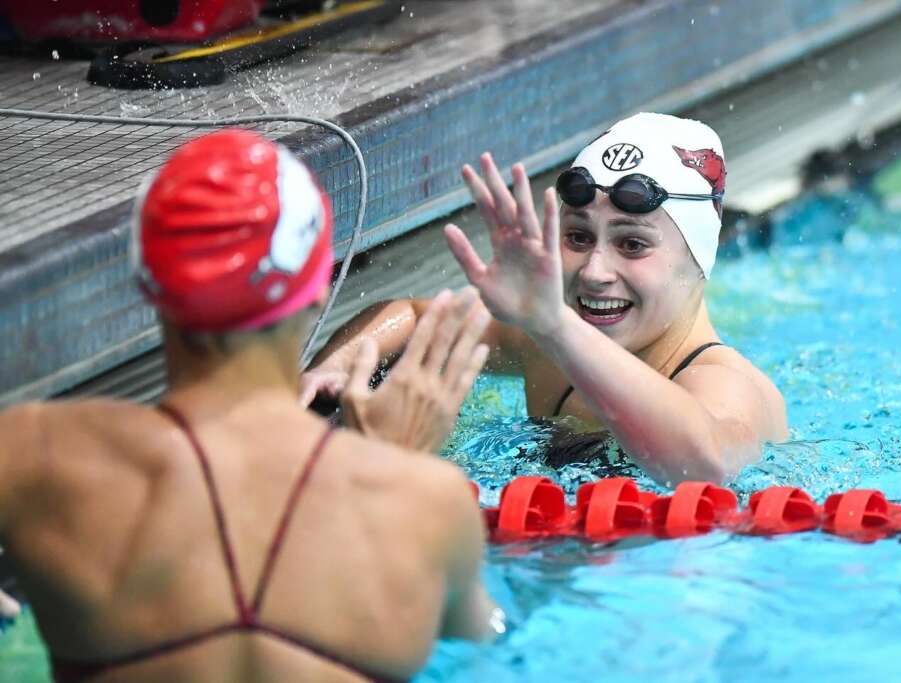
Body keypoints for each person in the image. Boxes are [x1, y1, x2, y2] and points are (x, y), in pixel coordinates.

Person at [0, 129, 501, 683]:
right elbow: (480, 639)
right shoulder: (430, 504)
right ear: (315, 289)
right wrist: (392, 465)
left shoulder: (33, 455)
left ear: (147, 283)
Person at [303, 113, 788, 485]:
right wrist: (335, 367)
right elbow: (409, 318)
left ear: (700, 259)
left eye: (632, 244)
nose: (595, 273)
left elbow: (703, 465)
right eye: (578, 237)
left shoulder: (726, 386)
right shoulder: (544, 344)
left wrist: (554, 323)